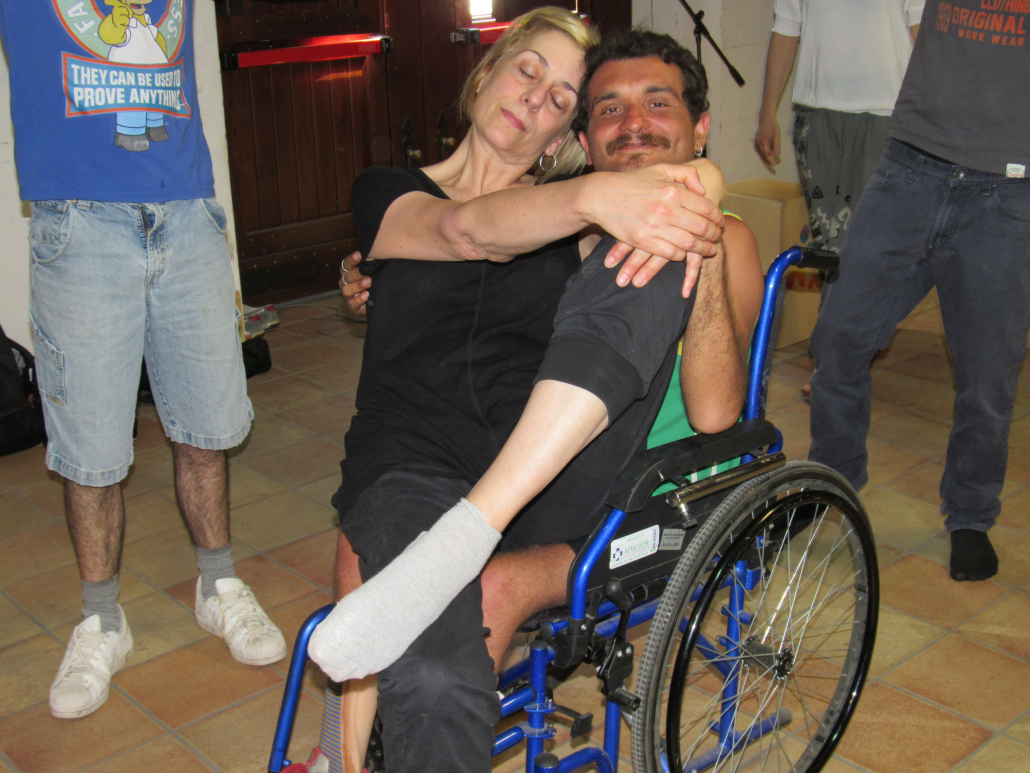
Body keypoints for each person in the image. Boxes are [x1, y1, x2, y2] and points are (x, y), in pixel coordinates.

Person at [297, 25, 761, 773]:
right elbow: (466, 232)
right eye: (605, 107)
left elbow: (713, 413)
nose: (632, 122)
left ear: (558, 137)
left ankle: (448, 556)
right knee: (409, 619)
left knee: (655, 236)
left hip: (590, 479)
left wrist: (695, 201)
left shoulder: (600, 226)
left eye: (561, 95)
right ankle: (346, 744)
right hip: (443, 459)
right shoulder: (467, 201)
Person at [0, 1, 285, 720]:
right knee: (91, 451)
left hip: (187, 214)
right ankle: (102, 620)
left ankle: (217, 585)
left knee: (205, 426)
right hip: (79, 224)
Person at [808, 0, 1030, 583]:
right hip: (911, 168)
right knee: (838, 335)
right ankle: (834, 478)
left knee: (988, 379)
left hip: (1009, 191)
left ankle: (971, 515)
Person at [755, 0, 923, 254]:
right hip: (816, 116)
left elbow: (922, 34)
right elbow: (786, 28)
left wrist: (930, 112)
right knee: (827, 245)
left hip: (884, 115)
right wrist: (767, 113)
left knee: (869, 241)